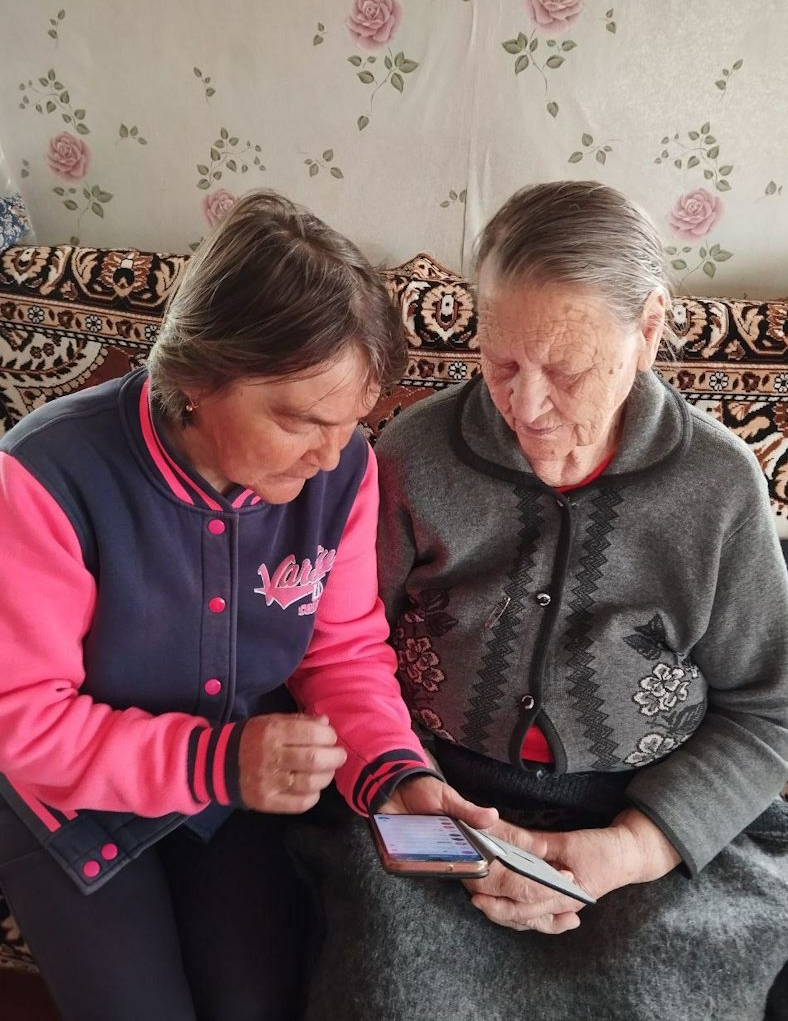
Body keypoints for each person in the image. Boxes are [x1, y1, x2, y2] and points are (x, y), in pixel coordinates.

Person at [287, 181, 788, 1021]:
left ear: (649, 330)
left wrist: (628, 850)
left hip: (647, 816)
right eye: (501, 363)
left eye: (565, 369)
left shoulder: (718, 485)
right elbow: (342, 651)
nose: (526, 407)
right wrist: (420, 806)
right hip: (440, 797)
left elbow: (769, 714)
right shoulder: (416, 454)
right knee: (390, 997)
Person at [0, 190, 495, 1021]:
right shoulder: (43, 478)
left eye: (352, 422)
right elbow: (23, 721)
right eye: (302, 421)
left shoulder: (343, 472)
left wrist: (396, 772)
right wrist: (217, 762)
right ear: (196, 376)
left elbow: (339, 652)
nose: (331, 456)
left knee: (257, 1005)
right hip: (67, 802)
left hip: (233, 794)